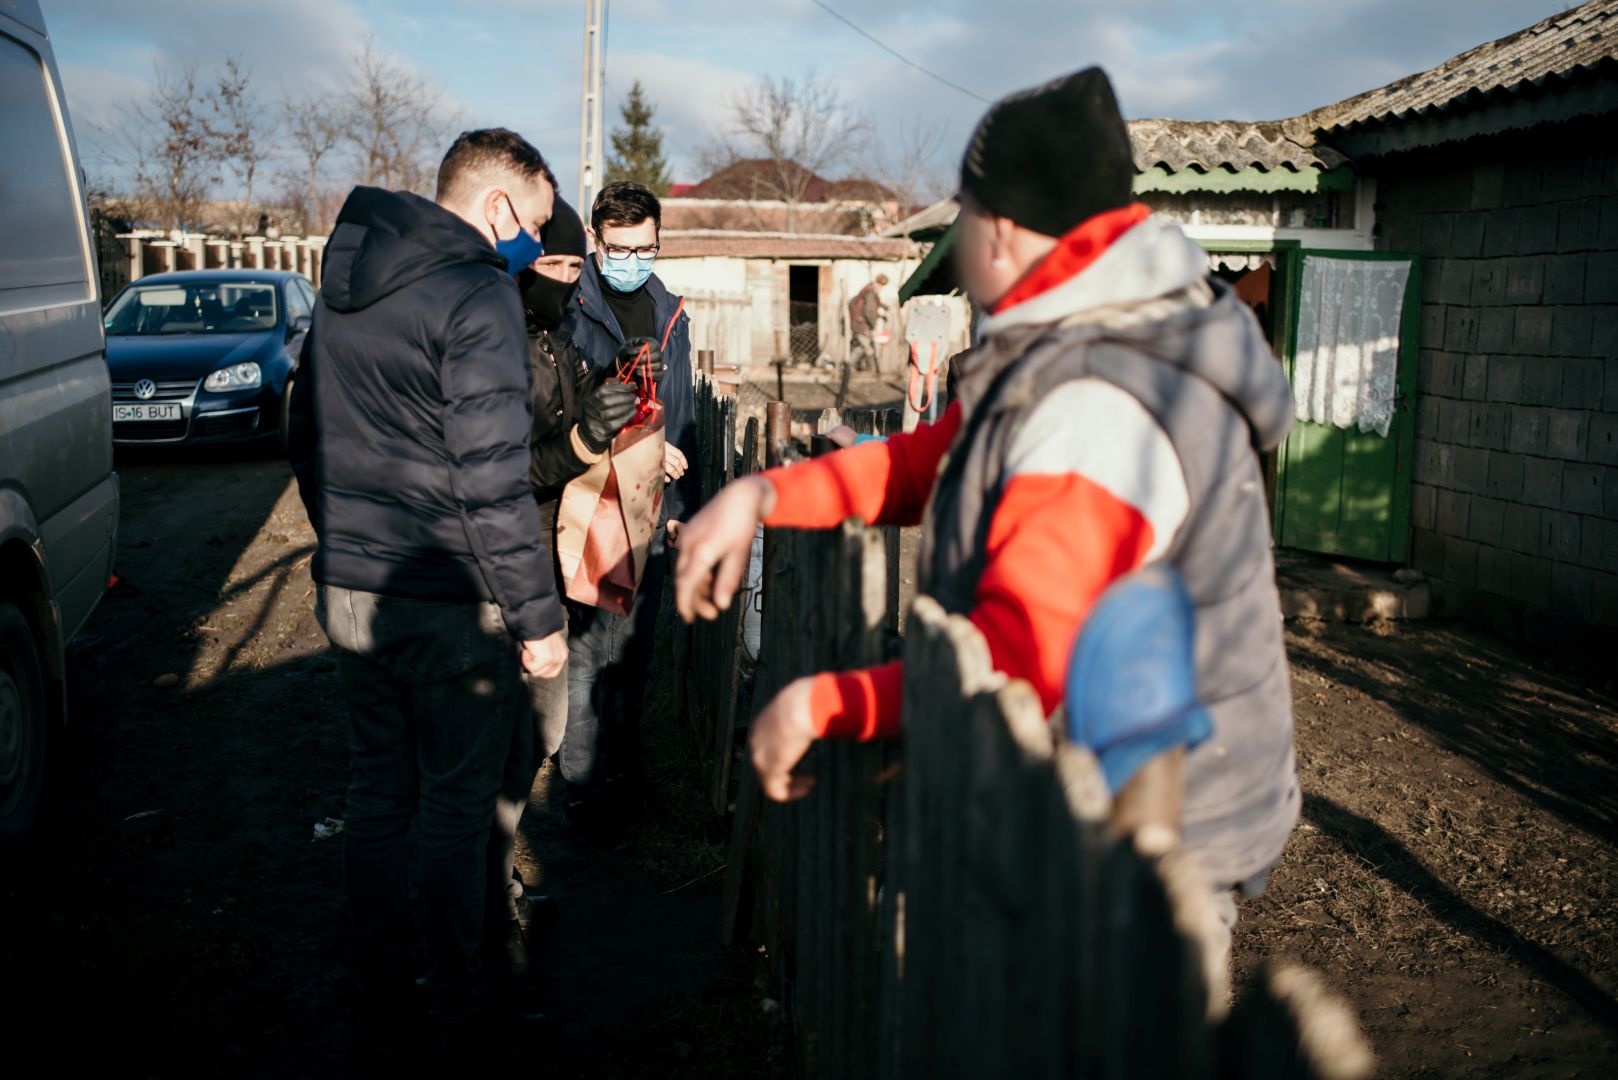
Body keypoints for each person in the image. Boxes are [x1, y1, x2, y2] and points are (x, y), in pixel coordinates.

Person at [674, 69, 1300, 978]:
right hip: (1086, 786)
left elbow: (1017, 663)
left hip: (1142, 833)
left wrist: (822, 703)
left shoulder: (1102, 399)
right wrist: (766, 495)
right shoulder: (1079, 336)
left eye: (963, 212)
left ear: (1000, 229)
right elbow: (935, 461)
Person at [287, 128, 568, 1044]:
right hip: (449, 600)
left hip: (354, 586)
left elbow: (306, 436)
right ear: (495, 206)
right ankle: (453, 995)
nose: (534, 240)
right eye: (531, 220)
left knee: (377, 791)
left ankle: (378, 979)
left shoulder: (343, 281)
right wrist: (537, 617)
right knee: (454, 802)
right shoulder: (477, 293)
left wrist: (347, 545)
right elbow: (489, 479)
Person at [487, 197, 664, 992]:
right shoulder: (494, 348)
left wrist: (617, 383)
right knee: (507, 736)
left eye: (565, 267)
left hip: (549, 551)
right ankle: (480, 914)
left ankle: (493, 886)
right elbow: (515, 465)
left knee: (530, 733)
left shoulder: (549, 339)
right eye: (556, 265)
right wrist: (590, 433)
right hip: (506, 564)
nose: (563, 278)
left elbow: (574, 395)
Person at [557, 180, 696, 832]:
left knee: (634, 655)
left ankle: (625, 775)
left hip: (653, 509)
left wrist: (682, 500)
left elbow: (687, 418)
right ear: (595, 240)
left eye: (646, 248)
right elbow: (563, 412)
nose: (633, 260)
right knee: (586, 657)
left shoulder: (671, 311)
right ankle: (581, 789)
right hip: (591, 502)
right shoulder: (567, 303)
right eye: (620, 248)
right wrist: (630, 443)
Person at [847, 274, 888, 373]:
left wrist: (883, 307)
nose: (881, 289)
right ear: (880, 284)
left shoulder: (868, 290)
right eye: (882, 286)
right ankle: (872, 370)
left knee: (861, 347)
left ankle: (847, 367)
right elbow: (870, 310)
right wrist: (873, 325)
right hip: (861, 324)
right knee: (868, 348)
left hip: (859, 322)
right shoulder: (870, 292)